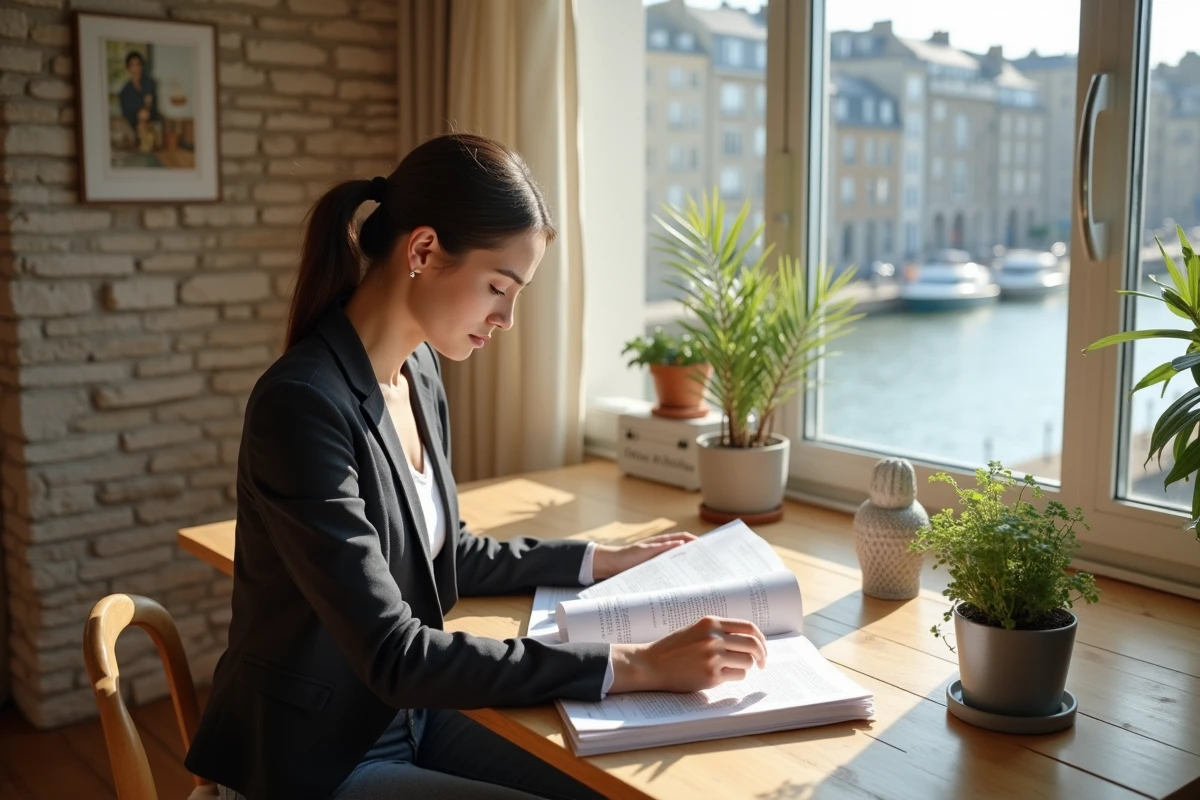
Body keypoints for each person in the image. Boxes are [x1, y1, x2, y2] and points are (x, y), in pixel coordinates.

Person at [184, 133, 769, 800]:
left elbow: (447, 549)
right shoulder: (301, 405)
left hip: (412, 715)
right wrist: (636, 664)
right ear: (424, 250)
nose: (508, 318)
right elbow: (394, 653)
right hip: (320, 756)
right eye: (499, 286)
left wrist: (600, 562)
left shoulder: (420, 370)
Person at [118, 51, 159, 146]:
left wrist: (145, 112)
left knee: (144, 114)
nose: (136, 68)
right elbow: (125, 113)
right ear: (128, 68)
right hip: (133, 124)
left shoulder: (148, 82)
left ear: (142, 66)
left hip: (150, 120)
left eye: (138, 64)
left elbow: (149, 101)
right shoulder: (125, 91)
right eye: (133, 65)